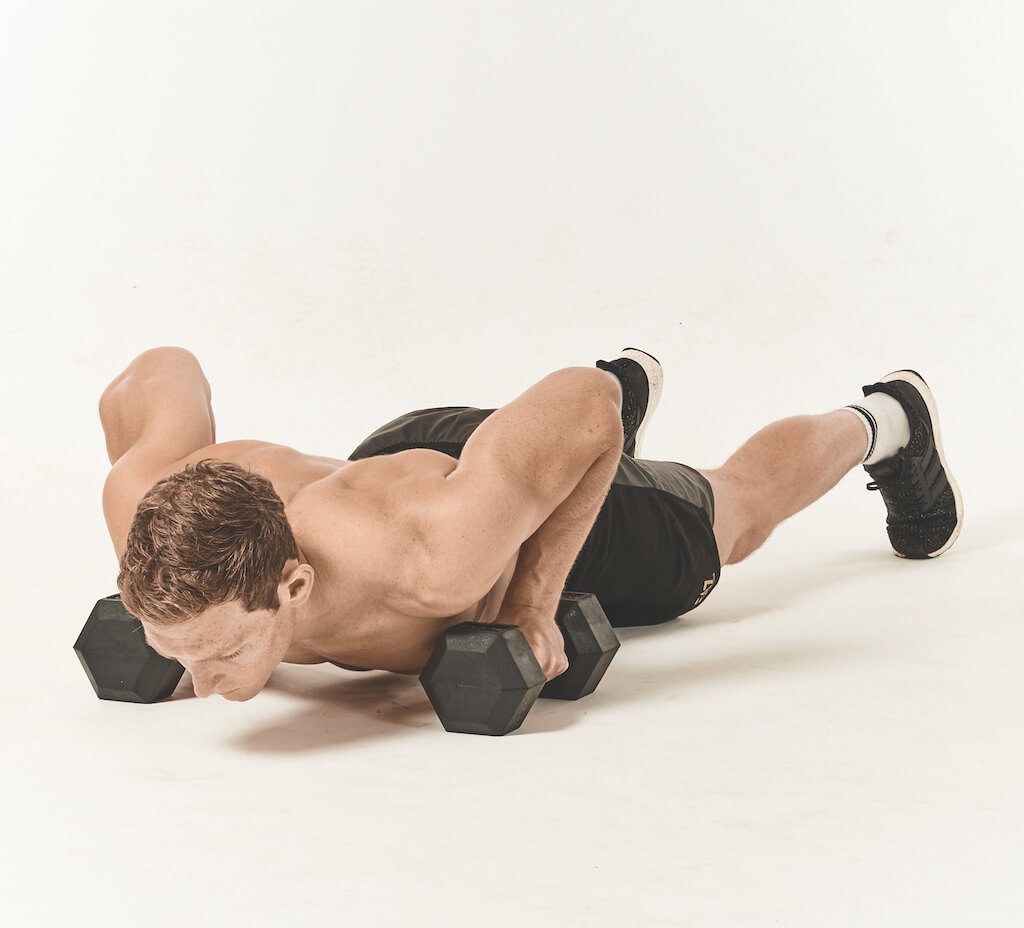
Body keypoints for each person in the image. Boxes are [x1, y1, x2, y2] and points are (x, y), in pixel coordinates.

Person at [100, 346, 963, 702]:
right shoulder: (150, 512)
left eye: (217, 657)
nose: (201, 687)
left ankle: (886, 419)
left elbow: (586, 407)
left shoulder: (433, 565)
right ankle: (549, 442)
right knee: (522, 463)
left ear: (293, 583)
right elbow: (159, 373)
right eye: (183, 653)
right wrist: (183, 636)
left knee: (729, 516)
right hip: (411, 465)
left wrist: (533, 600)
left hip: (466, 516)